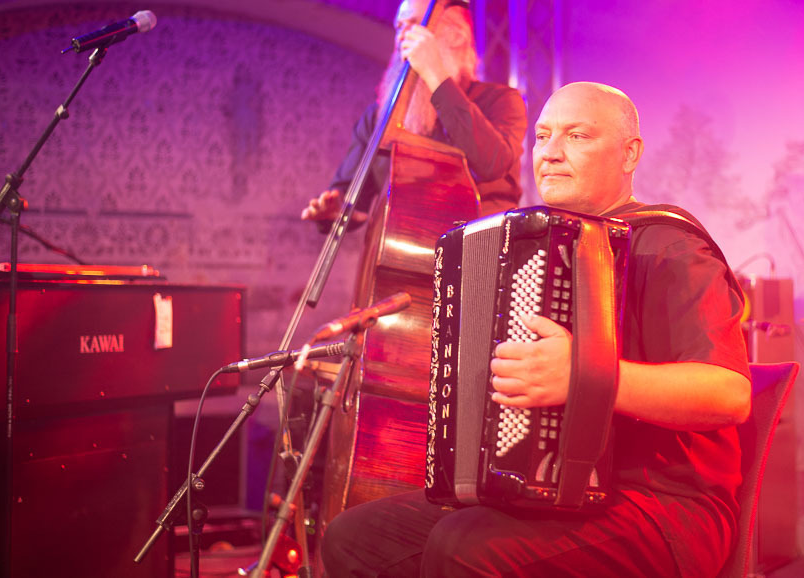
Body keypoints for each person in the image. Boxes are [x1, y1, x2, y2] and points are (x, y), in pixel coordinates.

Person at [319, 82, 752, 577]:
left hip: (663, 508)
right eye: (543, 137)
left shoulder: (671, 248)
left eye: (577, 136)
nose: (550, 153)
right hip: (553, 494)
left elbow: (730, 394)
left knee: (464, 547)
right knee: (354, 538)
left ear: (630, 153)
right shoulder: (537, 249)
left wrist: (584, 375)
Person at [301, 0, 528, 226]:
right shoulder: (379, 116)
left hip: (478, 253)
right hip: (396, 257)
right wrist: (338, 209)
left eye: (413, 24)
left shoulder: (501, 101)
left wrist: (434, 72)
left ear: (457, 35)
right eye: (399, 27)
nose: (402, 36)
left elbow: (492, 163)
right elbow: (351, 194)